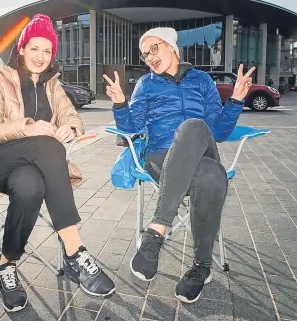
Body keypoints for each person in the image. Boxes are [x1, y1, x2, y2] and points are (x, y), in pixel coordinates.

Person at [0, 14, 115, 313]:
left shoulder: (53, 85)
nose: (40, 57)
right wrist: (26, 127)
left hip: (31, 167)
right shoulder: (0, 78)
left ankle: (7, 265)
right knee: (46, 144)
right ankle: (74, 252)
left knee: (30, 185)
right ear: (22, 49)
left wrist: (72, 128)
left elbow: (72, 118)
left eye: (47, 51)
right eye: (34, 49)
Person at [103, 27, 254, 304]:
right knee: (212, 175)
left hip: (202, 148)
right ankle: (201, 268)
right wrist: (120, 104)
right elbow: (132, 129)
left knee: (194, 126)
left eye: (154, 49)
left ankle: (157, 230)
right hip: (161, 158)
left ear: (172, 47)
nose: (149, 57)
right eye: (144, 54)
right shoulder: (146, 85)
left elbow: (218, 132)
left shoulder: (202, 80)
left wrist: (235, 100)